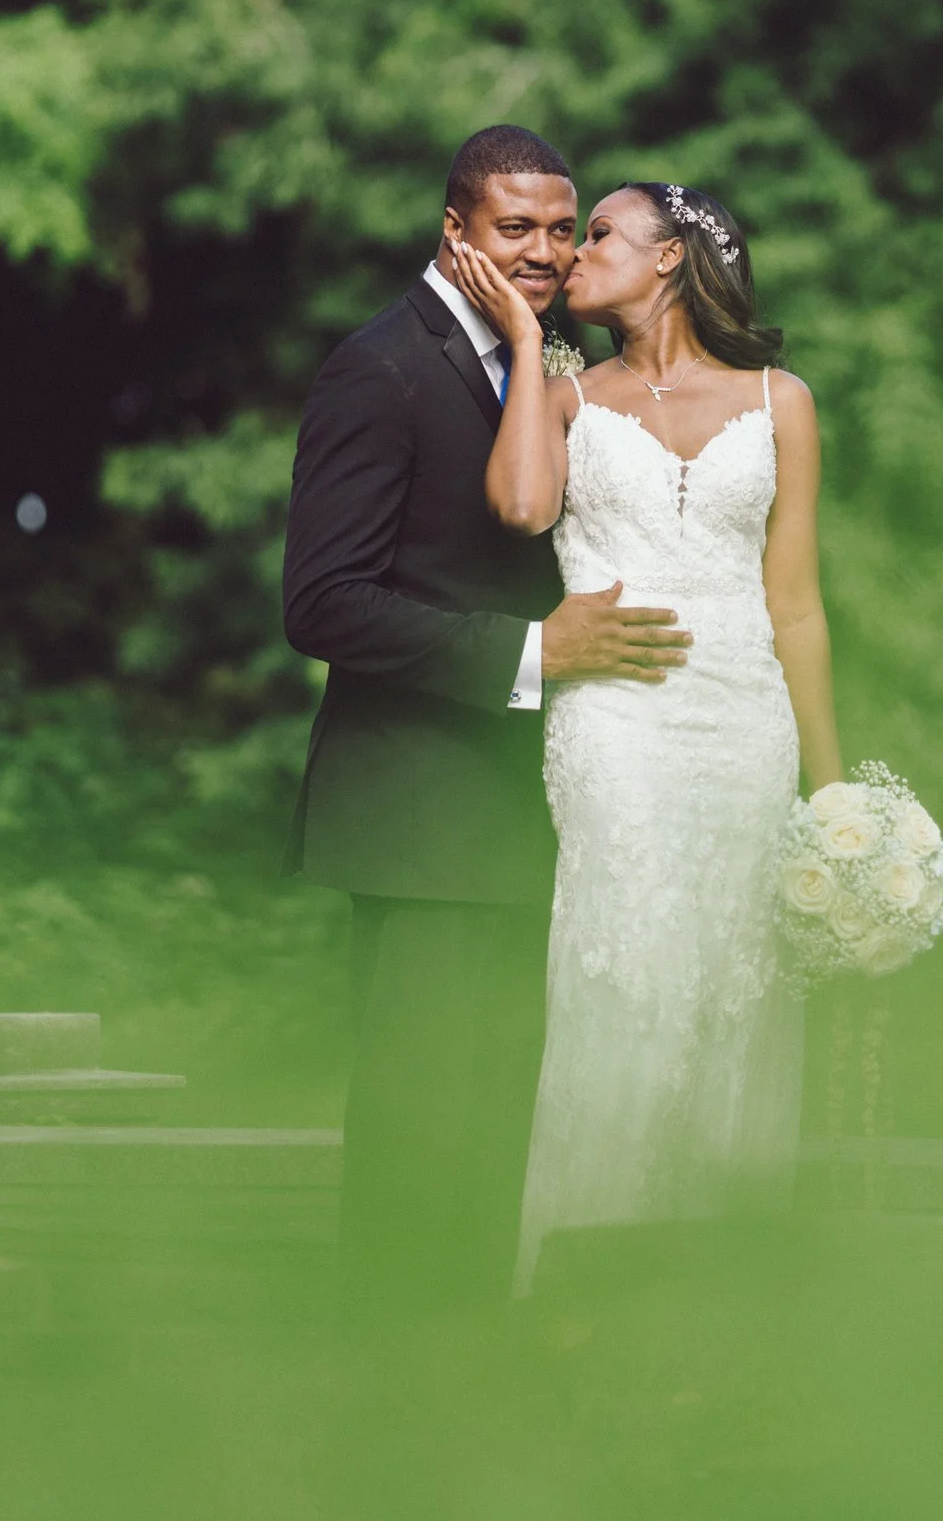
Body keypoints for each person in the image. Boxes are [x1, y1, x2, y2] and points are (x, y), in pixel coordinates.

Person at [282, 127, 694, 1314]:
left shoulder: (544, 359)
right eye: (516, 228)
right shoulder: (381, 367)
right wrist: (536, 650)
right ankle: (389, 1417)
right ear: (455, 231)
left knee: (494, 1138)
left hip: (531, 812)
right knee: (418, 1140)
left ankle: (470, 1404)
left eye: (564, 229)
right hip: (420, 819)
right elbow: (324, 602)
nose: (546, 251)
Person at [450, 180, 840, 1292]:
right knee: (623, 977)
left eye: (598, 236)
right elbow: (523, 508)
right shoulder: (568, 397)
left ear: (668, 258)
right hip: (616, 723)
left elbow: (798, 604)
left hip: (744, 726)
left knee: (735, 987)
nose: (569, 255)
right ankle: (580, 1294)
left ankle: (717, 1305)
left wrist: (831, 790)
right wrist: (529, 343)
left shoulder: (782, 401)